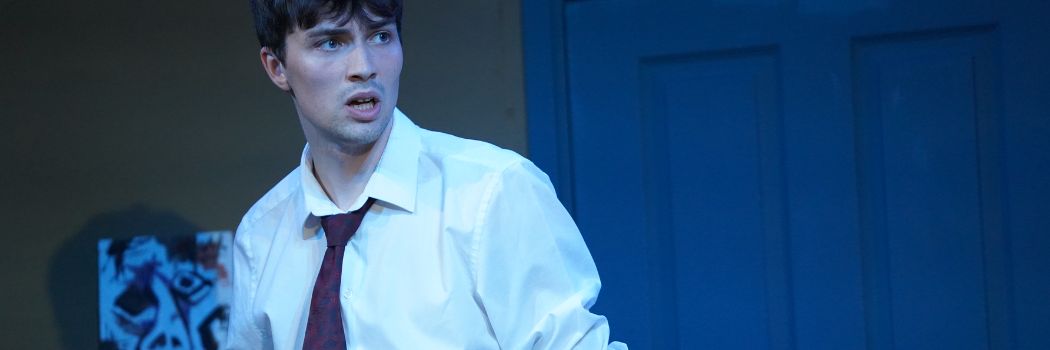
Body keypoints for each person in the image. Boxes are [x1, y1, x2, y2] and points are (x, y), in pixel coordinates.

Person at [227, 0, 627, 349]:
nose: (364, 67)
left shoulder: (493, 192)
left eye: (381, 36)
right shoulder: (261, 237)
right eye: (332, 43)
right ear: (277, 67)